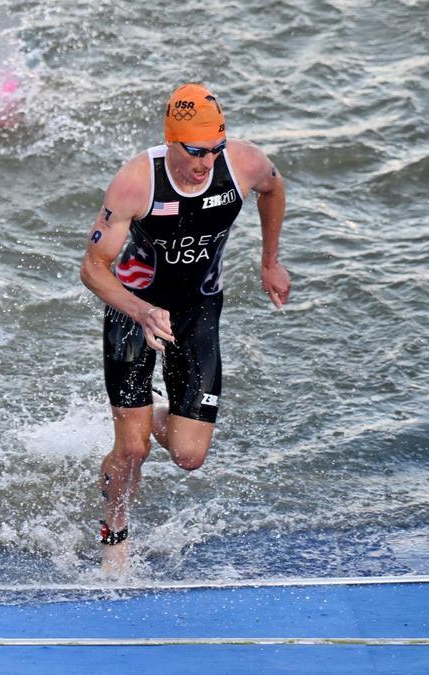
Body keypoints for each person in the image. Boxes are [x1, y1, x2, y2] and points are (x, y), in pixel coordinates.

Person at [79, 83, 290, 572]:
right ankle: (114, 534)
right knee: (131, 450)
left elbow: (274, 188)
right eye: (195, 152)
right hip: (134, 308)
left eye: (215, 149)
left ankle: (154, 415)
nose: (206, 163)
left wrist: (270, 260)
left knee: (189, 457)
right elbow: (92, 267)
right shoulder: (136, 182)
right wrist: (139, 310)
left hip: (197, 311)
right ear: (171, 140)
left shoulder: (244, 164)